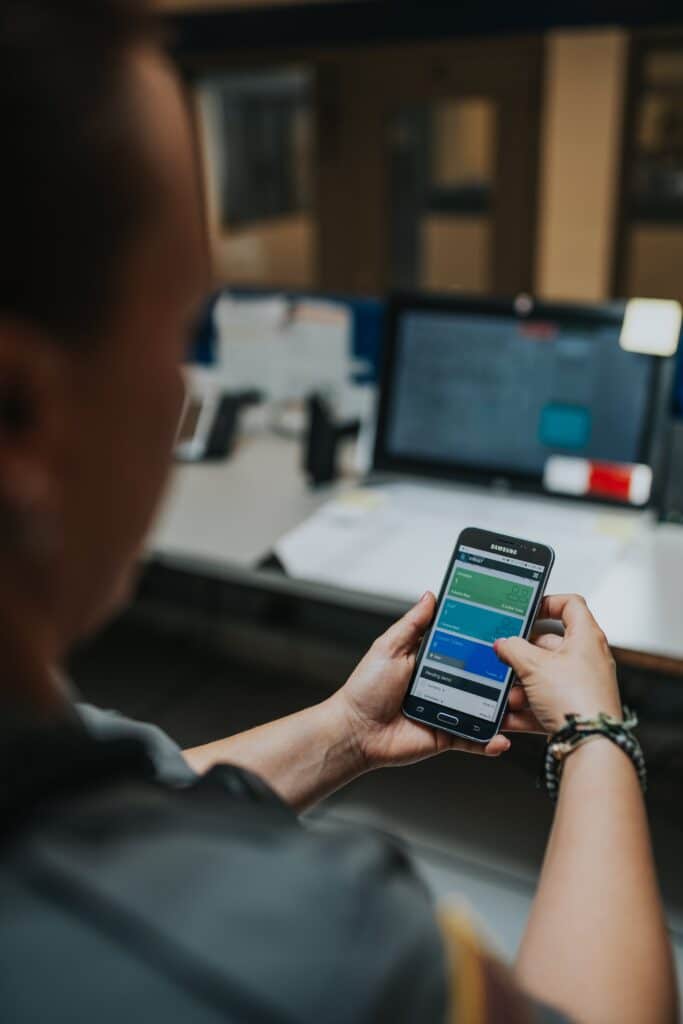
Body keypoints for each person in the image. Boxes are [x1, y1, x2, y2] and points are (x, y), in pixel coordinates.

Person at [0, 2, 677, 1021]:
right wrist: (594, 730)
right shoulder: (329, 956)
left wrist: (348, 731)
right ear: (23, 412)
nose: (189, 390)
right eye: (184, 325)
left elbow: (148, 788)